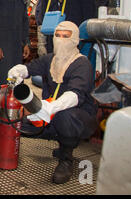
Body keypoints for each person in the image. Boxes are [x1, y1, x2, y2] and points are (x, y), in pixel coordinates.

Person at [8, 21, 98, 184]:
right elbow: (29, 69)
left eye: (66, 36)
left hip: (78, 116)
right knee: (18, 122)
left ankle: (66, 157)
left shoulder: (82, 64)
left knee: (65, 116)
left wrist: (49, 108)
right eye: (57, 35)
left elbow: (75, 95)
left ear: (75, 40)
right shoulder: (50, 59)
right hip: (50, 112)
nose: (60, 40)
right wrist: (17, 71)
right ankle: (60, 137)